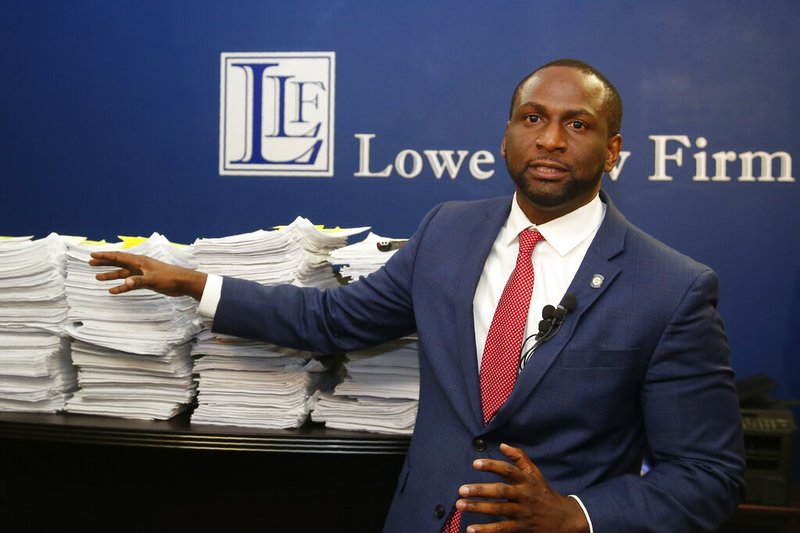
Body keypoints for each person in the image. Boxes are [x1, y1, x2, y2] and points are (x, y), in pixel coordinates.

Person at [90, 59, 746, 532]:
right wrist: (195, 283)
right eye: (533, 118)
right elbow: (332, 319)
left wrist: (573, 514)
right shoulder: (447, 230)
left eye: (578, 124)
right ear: (506, 136)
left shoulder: (672, 287)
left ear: (613, 151)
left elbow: (707, 477)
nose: (550, 139)